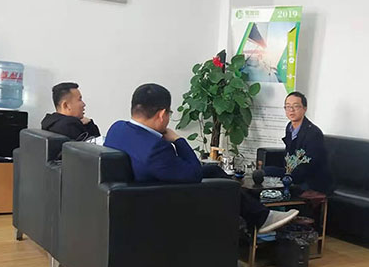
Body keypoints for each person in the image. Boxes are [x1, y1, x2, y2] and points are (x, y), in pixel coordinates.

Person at [104, 83, 299, 237]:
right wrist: (178, 140)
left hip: (135, 194)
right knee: (224, 187)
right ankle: (259, 220)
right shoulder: (155, 147)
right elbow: (194, 173)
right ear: (162, 114)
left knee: (214, 170)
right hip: (159, 203)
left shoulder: (117, 128)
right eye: (169, 114)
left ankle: (259, 217)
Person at [266, 91, 333, 195]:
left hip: (311, 179)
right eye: (288, 106)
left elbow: (310, 165)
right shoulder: (289, 127)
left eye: (296, 106)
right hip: (293, 173)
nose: (291, 110)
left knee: (269, 173)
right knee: (265, 172)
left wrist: (287, 174)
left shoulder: (314, 133)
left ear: (304, 109)